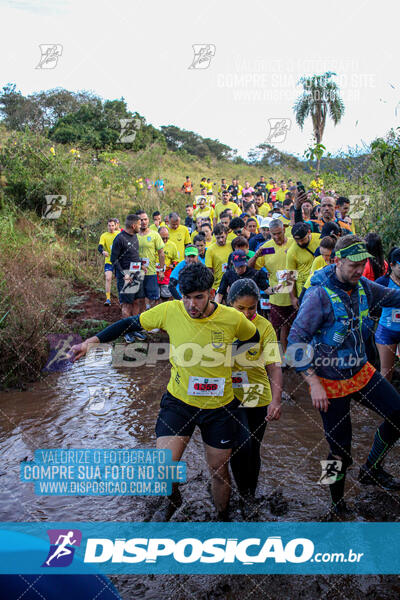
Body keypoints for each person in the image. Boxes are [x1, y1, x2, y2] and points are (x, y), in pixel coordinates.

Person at [69, 263, 260, 521]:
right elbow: (129, 323)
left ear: (211, 292)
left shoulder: (232, 317)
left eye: (198, 298)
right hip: (179, 403)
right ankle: (173, 500)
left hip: (220, 408)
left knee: (218, 469)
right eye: (186, 297)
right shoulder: (170, 310)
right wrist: (90, 342)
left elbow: (252, 337)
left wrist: (232, 355)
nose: (191, 305)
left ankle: (222, 518)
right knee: (163, 466)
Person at [286, 235, 400, 516]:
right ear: (337, 261)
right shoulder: (318, 296)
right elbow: (295, 343)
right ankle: (334, 502)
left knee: (398, 414)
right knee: (339, 452)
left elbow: (394, 296)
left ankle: (372, 469)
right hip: (328, 383)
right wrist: (312, 384)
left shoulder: (362, 286)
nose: (359, 271)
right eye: (353, 266)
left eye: (363, 265)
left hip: (360, 372)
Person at [227, 279, 282, 515]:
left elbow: (274, 365)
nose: (247, 313)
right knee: (242, 444)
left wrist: (276, 400)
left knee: (254, 447)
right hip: (228, 392)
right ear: (231, 304)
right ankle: (241, 493)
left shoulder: (265, 326)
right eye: (241, 308)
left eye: (252, 308)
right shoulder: (219, 323)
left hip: (256, 391)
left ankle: (249, 494)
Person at [249, 219, 294, 352]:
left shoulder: (293, 243)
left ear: (284, 230)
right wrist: (256, 256)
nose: (276, 237)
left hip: (293, 293)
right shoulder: (267, 248)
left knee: (288, 326)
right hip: (276, 295)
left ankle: (286, 355)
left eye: (278, 233)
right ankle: (271, 355)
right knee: (275, 326)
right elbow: (250, 268)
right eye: (273, 234)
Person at [110, 214, 145, 341]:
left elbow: (133, 255)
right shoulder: (119, 239)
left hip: (137, 274)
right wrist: (123, 274)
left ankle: (134, 329)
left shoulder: (135, 236)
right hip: (126, 276)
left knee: (137, 302)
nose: (141, 227)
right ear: (133, 225)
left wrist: (141, 265)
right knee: (127, 304)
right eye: (139, 225)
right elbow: (113, 259)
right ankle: (126, 332)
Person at [375, 247, 400, 381]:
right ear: (392, 265)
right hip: (387, 331)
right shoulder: (382, 283)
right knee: (386, 371)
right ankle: (383, 400)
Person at [286, 222, 321, 307]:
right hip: (304, 291)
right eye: (297, 240)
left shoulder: (320, 239)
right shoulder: (292, 252)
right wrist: (293, 298)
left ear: (309, 232)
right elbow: (290, 276)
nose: (300, 243)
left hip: (322, 286)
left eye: (302, 239)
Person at [136, 211, 165, 308]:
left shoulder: (155, 235)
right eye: (141, 220)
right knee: (137, 300)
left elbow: (161, 253)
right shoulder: (133, 235)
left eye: (145, 219)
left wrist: (161, 270)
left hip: (151, 272)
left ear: (148, 220)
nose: (143, 222)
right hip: (135, 272)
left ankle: (153, 321)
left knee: (154, 299)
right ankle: (140, 321)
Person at [98, 218, 119, 306]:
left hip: (119, 261)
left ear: (116, 225)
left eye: (112, 225)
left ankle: (121, 298)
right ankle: (108, 299)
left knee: (121, 279)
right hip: (109, 261)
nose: (111, 227)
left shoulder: (119, 234)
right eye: (109, 226)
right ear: (107, 226)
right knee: (108, 278)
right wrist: (103, 252)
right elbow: (99, 247)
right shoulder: (104, 235)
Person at [205, 224, 232, 291]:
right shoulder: (210, 249)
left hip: (232, 284)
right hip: (218, 285)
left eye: (222, 237)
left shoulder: (231, 245)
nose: (220, 240)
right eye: (218, 238)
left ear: (226, 234)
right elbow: (209, 270)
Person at [157, 227, 179, 300]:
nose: (165, 240)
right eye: (163, 238)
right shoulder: (152, 244)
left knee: (166, 297)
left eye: (167, 238)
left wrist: (172, 265)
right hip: (154, 274)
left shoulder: (172, 245)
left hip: (166, 274)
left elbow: (176, 259)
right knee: (154, 298)